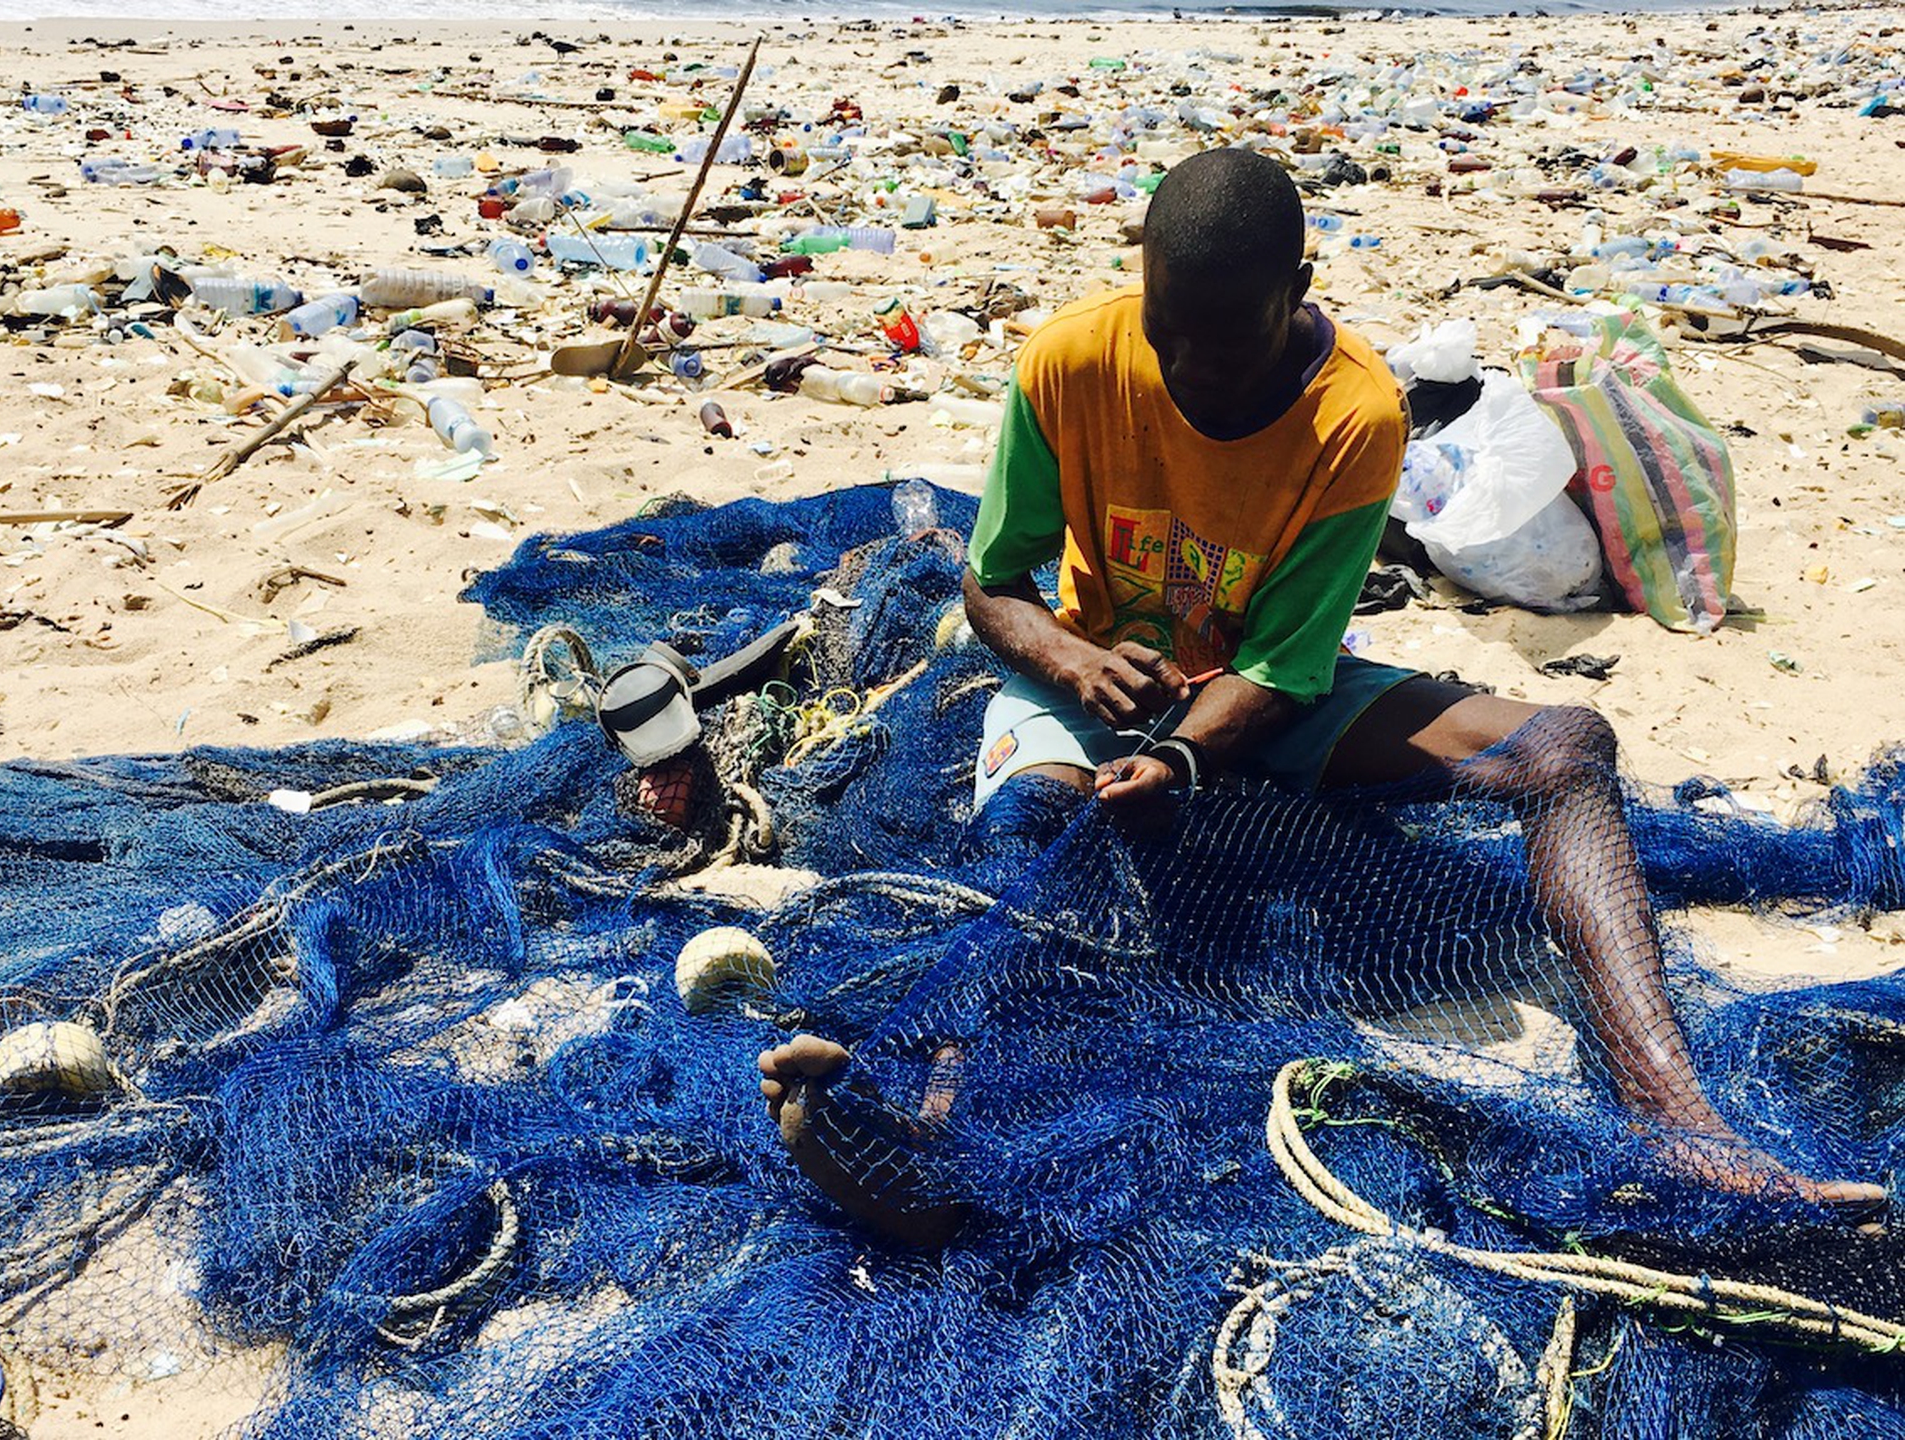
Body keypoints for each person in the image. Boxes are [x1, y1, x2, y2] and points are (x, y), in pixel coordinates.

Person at [758, 146, 1885, 1244]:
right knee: (1035, 830)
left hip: (1261, 698)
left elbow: (1290, 667)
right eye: (1170, 336)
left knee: (1564, 743)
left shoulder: (1355, 416)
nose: (1193, 370)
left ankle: (1674, 1118)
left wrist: (1188, 758)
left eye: (1226, 345)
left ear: (1298, 291)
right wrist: (1073, 663)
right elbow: (993, 585)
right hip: (1090, 678)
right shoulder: (1069, 362)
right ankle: (931, 1134)